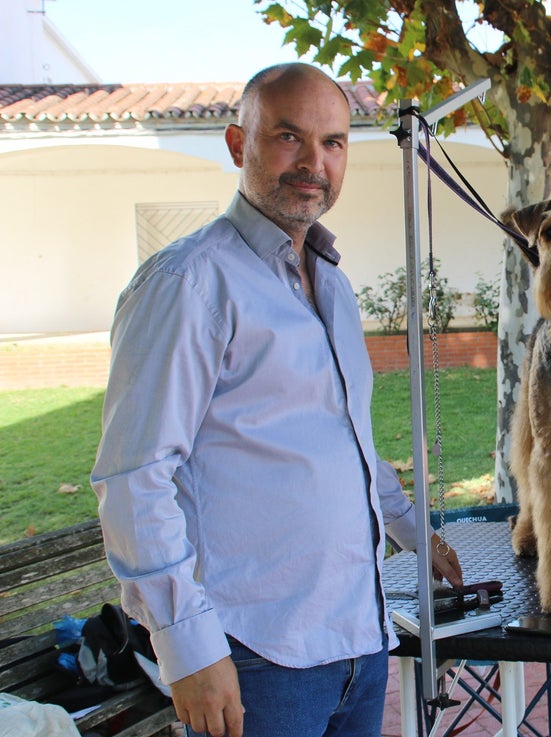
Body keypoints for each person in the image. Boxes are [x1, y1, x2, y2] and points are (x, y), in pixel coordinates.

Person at [90, 63, 462, 737]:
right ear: (238, 145)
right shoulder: (190, 283)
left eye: (333, 142)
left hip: (357, 642)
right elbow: (133, 479)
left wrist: (410, 529)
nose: (313, 162)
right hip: (256, 654)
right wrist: (188, 649)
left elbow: (348, 440)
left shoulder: (334, 287)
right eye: (288, 137)